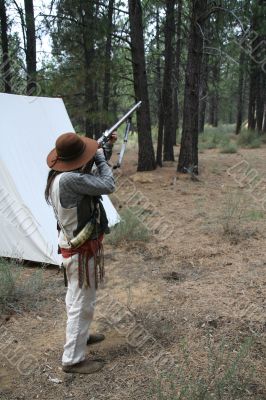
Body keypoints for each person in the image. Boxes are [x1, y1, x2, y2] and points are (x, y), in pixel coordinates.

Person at [45, 132, 116, 374]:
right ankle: (72, 359)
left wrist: (103, 152)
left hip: (71, 244)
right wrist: (99, 158)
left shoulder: (60, 176)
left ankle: (80, 337)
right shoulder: (69, 180)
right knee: (83, 302)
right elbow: (107, 184)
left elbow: (89, 180)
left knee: (75, 298)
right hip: (81, 249)